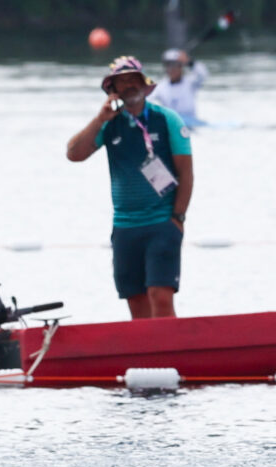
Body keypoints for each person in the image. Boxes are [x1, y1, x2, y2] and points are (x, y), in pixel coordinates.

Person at [66, 55, 193, 320]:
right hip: (125, 227)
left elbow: (186, 172)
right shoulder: (109, 124)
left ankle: (172, 355)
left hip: (162, 223)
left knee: (160, 296)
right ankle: (150, 361)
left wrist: (178, 218)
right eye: (121, 82)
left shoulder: (166, 119)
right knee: (136, 302)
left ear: (143, 84)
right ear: (113, 91)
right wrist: (99, 119)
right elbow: (74, 154)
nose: (128, 86)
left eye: (132, 80)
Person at [151, 48, 208, 127]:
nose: (172, 69)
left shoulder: (191, 83)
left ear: (181, 66)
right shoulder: (160, 87)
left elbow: (202, 74)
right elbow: (147, 100)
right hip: (172, 125)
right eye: (169, 65)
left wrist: (190, 62)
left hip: (192, 123)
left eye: (175, 65)